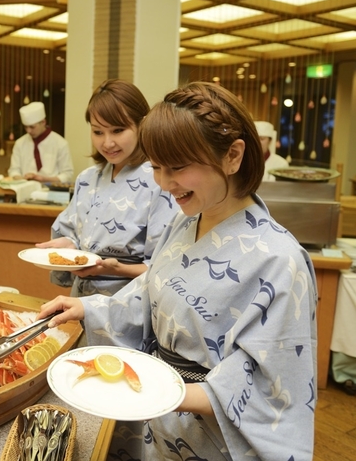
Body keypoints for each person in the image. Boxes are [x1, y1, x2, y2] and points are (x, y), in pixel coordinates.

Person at [39, 82, 318, 460]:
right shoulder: (184, 225)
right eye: (156, 167)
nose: (164, 184)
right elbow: (149, 295)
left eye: (178, 168)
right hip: (154, 415)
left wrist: (174, 393)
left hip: (208, 436)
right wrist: (90, 310)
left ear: (233, 156)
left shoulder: (280, 260)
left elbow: (276, 381)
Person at [35, 79, 177, 297]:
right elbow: (76, 233)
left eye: (118, 130)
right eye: (98, 132)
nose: (107, 143)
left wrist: (116, 268)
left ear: (142, 124)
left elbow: (166, 266)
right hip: (80, 302)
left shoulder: (160, 180)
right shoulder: (87, 178)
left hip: (130, 304)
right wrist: (68, 244)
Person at [8, 101, 74, 183]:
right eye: (26, 127)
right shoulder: (20, 143)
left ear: (43, 122)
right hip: (24, 191)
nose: (28, 131)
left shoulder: (60, 143)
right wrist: (22, 178)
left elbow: (68, 174)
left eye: (32, 127)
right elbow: (14, 170)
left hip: (51, 193)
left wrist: (45, 179)